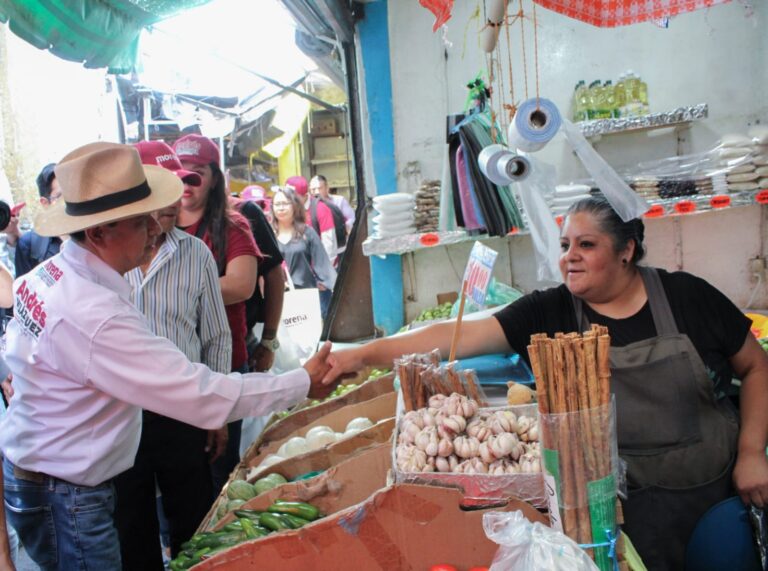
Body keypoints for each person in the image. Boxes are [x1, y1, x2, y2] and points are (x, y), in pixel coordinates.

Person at [323, 196, 768, 571]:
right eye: (564, 244)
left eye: (586, 244)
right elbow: (456, 336)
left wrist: (750, 453)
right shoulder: (551, 312)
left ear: (627, 249)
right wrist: (361, 354)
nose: (568, 256)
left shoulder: (687, 297)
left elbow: (756, 367)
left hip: (711, 502)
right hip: (612, 518)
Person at [0, 141, 338, 571]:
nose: (156, 231)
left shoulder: (48, 276)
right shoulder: (93, 314)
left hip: (52, 477)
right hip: (65, 494)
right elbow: (199, 393)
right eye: (141, 223)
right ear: (100, 233)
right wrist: (301, 382)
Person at [114, 140, 232, 570]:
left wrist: (216, 412)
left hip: (184, 410)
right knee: (131, 527)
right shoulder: (106, 256)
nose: (170, 204)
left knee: (193, 521)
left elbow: (216, 337)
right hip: (121, 414)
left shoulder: (195, 254)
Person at [172, 134, 261, 493]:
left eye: (198, 173)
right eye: (181, 173)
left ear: (214, 178)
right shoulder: (155, 229)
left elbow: (242, 285)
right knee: (181, 476)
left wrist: (177, 289)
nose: (188, 182)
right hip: (174, 369)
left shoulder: (232, 225)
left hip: (223, 363)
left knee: (220, 471)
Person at [271, 187, 336, 319]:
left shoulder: (307, 232)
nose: (281, 208)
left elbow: (321, 260)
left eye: (285, 203)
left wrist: (325, 282)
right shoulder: (268, 234)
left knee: (308, 334)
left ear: (294, 205)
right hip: (276, 297)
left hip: (306, 294)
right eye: (277, 204)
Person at [14, 163, 63, 278]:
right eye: (61, 196)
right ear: (45, 203)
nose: (69, 200)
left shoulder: (94, 232)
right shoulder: (29, 245)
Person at [285, 175, 339, 265]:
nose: (289, 200)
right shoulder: (287, 210)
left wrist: (323, 272)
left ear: (305, 196)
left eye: (293, 197)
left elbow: (329, 246)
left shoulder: (321, 210)